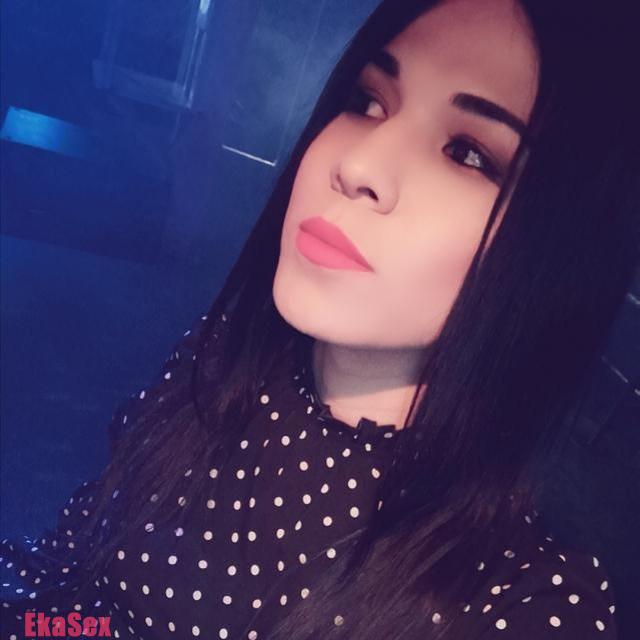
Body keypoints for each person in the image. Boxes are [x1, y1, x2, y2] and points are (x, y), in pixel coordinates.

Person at [1, 0, 637, 638]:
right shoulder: (223, 362)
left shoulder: (526, 604)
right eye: (368, 101)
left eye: (467, 154)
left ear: (558, 258)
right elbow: (69, 580)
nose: (356, 166)